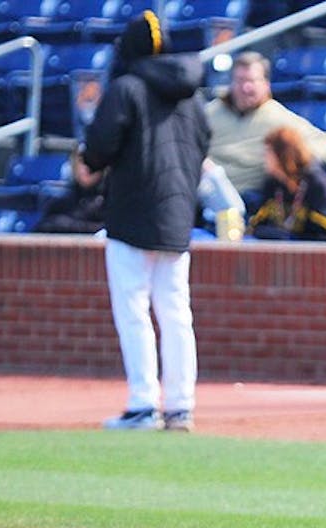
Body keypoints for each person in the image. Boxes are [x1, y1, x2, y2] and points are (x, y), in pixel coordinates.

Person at [81, 10, 210, 432]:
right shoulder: (191, 92)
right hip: (176, 214)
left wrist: (88, 162)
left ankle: (142, 403)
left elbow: (99, 145)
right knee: (176, 311)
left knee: (133, 308)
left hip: (132, 211)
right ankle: (180, 406)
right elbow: (205, 142)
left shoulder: (126, 87)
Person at [206, 51, 326, 202]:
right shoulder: (210, 113)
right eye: (240, 80)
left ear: (266, 84)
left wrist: (293, 153)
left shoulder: (279, 118)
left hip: (247, 201)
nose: (246, 88)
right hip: (204, 193)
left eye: (252, 81)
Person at [248, 126, 326, 242]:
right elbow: (258, 223)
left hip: (314, 255)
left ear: (283, 155)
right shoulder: (273, 184)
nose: (264, 158)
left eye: (269, 153)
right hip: (280, 254)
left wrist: (292, 239)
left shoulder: (318, 185)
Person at [33, 146, 106, 234]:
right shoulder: (60, 201)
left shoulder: (111, 201)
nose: (86, 167)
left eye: (92, 160)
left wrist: (64, 224)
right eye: (81, 161)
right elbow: (42, 229)